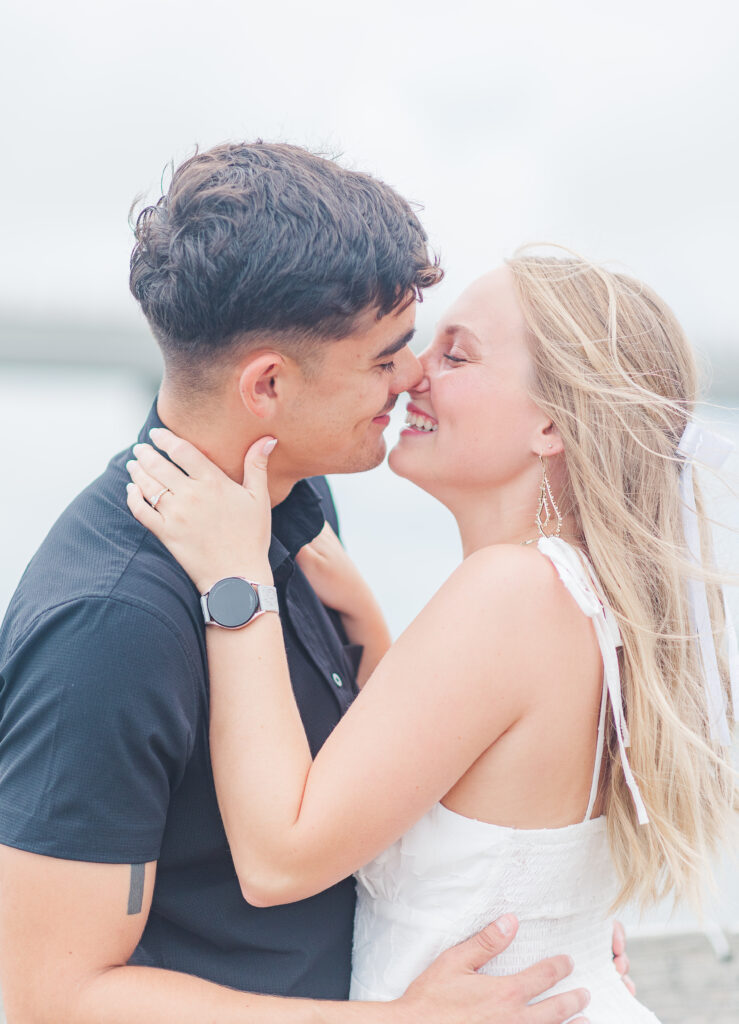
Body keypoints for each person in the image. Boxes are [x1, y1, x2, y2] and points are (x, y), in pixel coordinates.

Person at [0, 144, 597, 1024]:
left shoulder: (302, 510)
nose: (413, 378)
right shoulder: (108, 624)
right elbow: (53, 996)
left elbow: (374, 774)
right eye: (385, 358)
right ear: (268, 384)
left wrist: (562, 921)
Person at [125, 249, 737, 1023]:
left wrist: (234, 582)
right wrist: (377, 636)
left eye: (457, 354)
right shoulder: (571, 594)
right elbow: (472, 781)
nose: (413, 373)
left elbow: (278, 859)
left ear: (550, 423)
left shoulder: (509, 593)